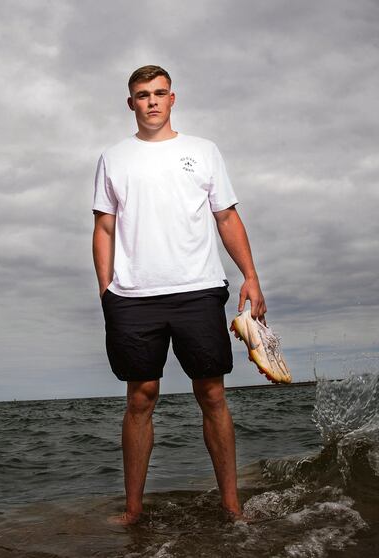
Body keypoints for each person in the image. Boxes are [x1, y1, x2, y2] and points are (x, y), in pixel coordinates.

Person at [92, 65, 266, 524]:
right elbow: (104, 226)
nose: (151, 101)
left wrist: (250, 275)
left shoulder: (203, 151)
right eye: (142, 95)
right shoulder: (113, 157)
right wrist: (106, 288)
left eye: (159, 93)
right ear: (130, 103)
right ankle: (133, 510)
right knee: (140, 396)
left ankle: (232, 505)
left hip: (199, 289)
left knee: (211, 394)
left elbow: (226, 217)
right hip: (132, 296)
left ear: (173, 99)